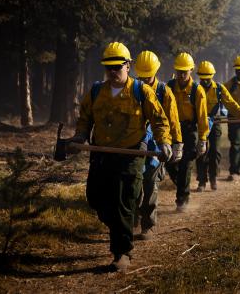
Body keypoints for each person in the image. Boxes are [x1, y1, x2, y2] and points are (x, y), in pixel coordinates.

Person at [72, 42, 172, 272]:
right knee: (96, 198)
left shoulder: (141, 91)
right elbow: (85, 117)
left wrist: (165, 141)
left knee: (123, 203)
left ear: (128, 65)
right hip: (101, 156)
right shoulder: (97, 91)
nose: (113, 71)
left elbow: (158, 119)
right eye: (109, 67)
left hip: (131, 157)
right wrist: (79, 136)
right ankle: (119, 226)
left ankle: (122, 252)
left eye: (117, 67)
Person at [133, 50, 182, 240]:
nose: (144, 79)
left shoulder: (164, 91)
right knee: (135, 182)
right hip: (136, 143)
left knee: (150, 183)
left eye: (148, 76)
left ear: (155, 71)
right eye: (141, 76)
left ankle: (149, 225)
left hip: (156, 144)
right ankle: (134, 218)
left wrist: (177, 143)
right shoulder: (133, 89)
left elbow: (173, 120)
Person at [195, 60, 240, 190]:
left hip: (215, 123)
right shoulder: (195, 88)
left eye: (207, 78)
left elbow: (231, 103)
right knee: (201, 152)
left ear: (212, 76)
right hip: (199, 124)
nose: (205, 81)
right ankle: (202, 181)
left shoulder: (219, 89)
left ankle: (213, 178)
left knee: (215, 151)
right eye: (202, 78)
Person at [166, 52, 209, 212]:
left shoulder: (197, 91)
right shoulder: (169, 87)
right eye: (179, 71)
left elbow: (203, 117)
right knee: (169, 162)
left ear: (191, 70)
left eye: (185, 71)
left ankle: (182, 199)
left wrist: (203, 139)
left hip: (190, 131)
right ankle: (183, 185)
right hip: (171, 131)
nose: (182, 75)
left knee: (185, 164)